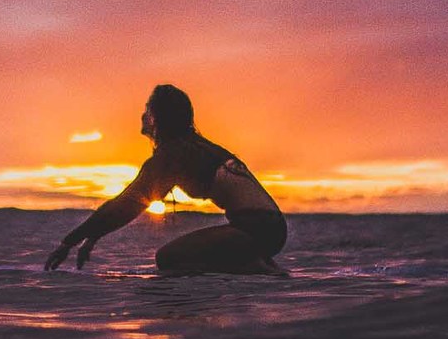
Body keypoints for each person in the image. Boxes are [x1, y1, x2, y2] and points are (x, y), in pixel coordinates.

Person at [44, 85, 287, 275]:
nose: (143, 115)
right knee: (180, 258)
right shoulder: (190, 149)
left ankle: (256, 267)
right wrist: (92, 237)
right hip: (268, 229)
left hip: (256, 231)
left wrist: (69, 242)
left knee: (169, 259)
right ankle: (252, 263)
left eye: (148, 110)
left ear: (160, 117)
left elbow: (127, 204)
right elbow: (126, 205)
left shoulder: (175, 154)